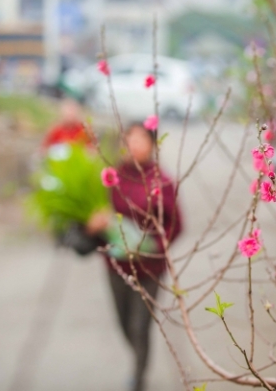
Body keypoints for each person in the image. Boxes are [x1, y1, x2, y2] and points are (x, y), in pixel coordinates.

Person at [86, 123, 183, 391]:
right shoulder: (111, 177)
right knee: (124, 324)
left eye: (140, 138)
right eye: (129, 138)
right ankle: (140, 359)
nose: (134, 144)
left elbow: (176, 224)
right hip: (116, 266)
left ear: (152, 143)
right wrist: (94, 226)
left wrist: (152, 247)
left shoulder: (162, 181)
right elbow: (96, 214)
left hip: (149, 268)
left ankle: (138, 379)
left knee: (140, 327)